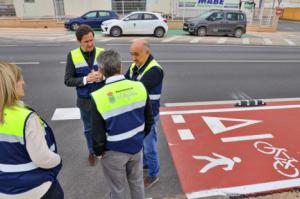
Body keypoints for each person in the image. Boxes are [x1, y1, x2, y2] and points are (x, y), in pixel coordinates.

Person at [91, 50, 154, 199]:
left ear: (101, 70)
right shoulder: (139, 87)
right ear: (120, 66)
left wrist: (99, 153)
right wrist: (138, 137)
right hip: (136, 147)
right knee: (137, 184)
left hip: (113, 152)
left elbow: (97, 134)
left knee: (117, 189)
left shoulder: (98, 96)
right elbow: (149, 120)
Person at [0, 61, 63, 199]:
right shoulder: (26, 118)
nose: (23, 82)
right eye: (19, 79)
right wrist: (58, 159)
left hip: (5, 190)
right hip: (36, 189)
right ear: (9, 85)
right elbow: (42, 158)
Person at [125, 39, 164, 188]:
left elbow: (136, 89)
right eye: (131, 54)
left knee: (150, 145)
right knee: (143, 143)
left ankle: (153, 174)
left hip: (149, 115)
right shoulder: (135, 65)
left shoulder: (155, 71)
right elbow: (125, 81)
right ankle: (146, 164)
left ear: (147, 53)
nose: (133, 58)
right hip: (138, 113)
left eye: (136, 54)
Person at [64, 24, 104, 166]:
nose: (90, 44)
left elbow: (112, 73)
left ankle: (104, 150)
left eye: (92, 40)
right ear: (79, 41)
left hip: (102, 99)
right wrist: (86, 80)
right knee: (88, 129)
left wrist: (102, 76)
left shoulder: (102, 52)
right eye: (86, 41)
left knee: (105, 126)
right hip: (85, 101)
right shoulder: (73, 55)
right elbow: (68, 80)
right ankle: (92, 151)